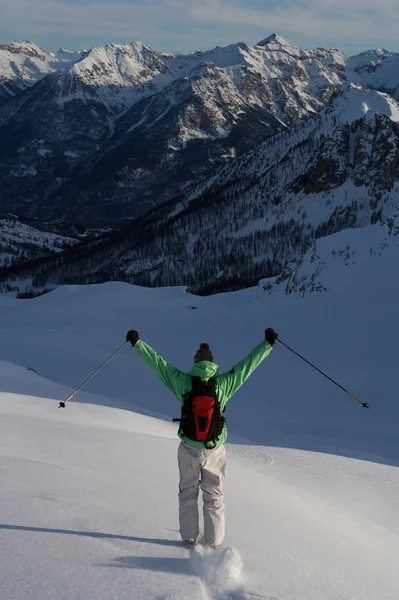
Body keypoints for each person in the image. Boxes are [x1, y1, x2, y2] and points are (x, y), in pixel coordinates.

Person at [125, 327, 278, 549]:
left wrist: (137, 343)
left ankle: (188, 539)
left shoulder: (183, 382)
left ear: (196, 364)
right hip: (214, 450)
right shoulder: (223, 384)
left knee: (188, 492)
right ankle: (214, 542)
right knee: (214, 495)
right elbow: (247, 366)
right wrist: (267, 344)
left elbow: (158, 364)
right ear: (212, 365)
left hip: (188, 448)